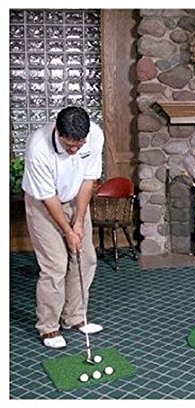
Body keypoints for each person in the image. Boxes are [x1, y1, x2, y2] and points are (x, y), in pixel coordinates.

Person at [22, 106, 104, 349]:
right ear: (58, 132)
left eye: (79, 145)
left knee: (86, 259)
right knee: (55, 265)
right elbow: (48, 199)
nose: (74, 150)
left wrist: (78, 220)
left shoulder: (95, 135)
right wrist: (68, 232)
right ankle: (48, 327)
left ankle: (74, 316)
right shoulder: (38, 148)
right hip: (43, 205)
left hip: (75, 199)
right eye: (69, 145)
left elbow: (89, 180)